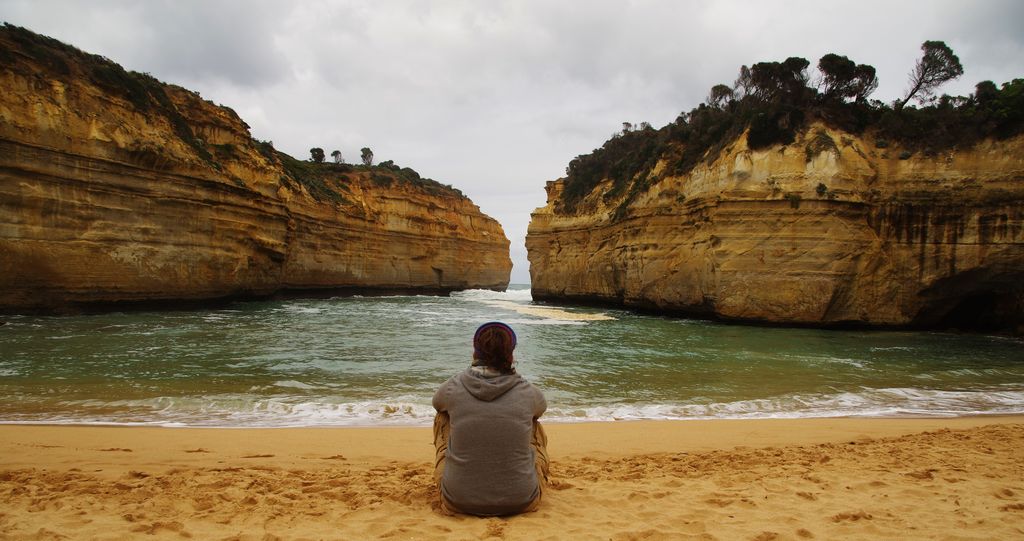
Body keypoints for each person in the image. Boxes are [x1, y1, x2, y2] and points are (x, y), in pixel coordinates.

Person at [432, 321, 549, 516]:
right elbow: (541, 408)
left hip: (457, 500)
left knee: (442, 416)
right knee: (533, 421)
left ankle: (460, 471)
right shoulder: (528, 391)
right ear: (511, 355)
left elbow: (437, 403)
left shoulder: (454, 386)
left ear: (474, 353)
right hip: (522, 500)